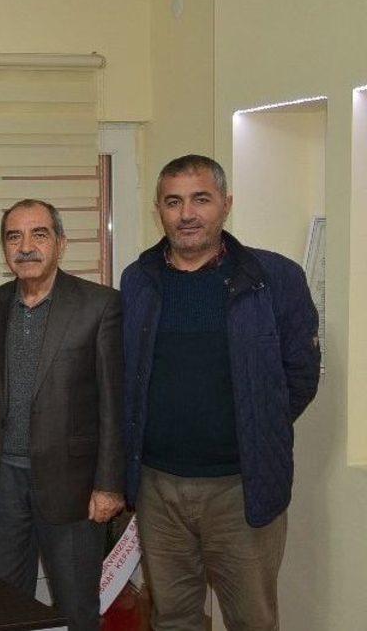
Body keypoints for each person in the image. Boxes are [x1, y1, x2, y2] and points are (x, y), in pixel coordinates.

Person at [123, 154, 321, 630]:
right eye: (173, 202)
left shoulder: (275, 278)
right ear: (158, 210)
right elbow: (126, 373)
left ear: (226, 204)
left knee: (252, 620)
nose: (186, 214)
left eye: (201, 199)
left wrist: (257, 425)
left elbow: (300, 375)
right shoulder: (138, 280)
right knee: (173, 618)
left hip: (242, 488)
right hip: (157, 487)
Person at [0, 199, 123, 631]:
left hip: (74, 487)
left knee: (77, 609)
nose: (26, 247)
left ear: (61, 243)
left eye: (39, 234)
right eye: (13, 237)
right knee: (4, 608)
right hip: (3, 484)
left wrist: (110, 484)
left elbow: (113, 403)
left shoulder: (99, 305)